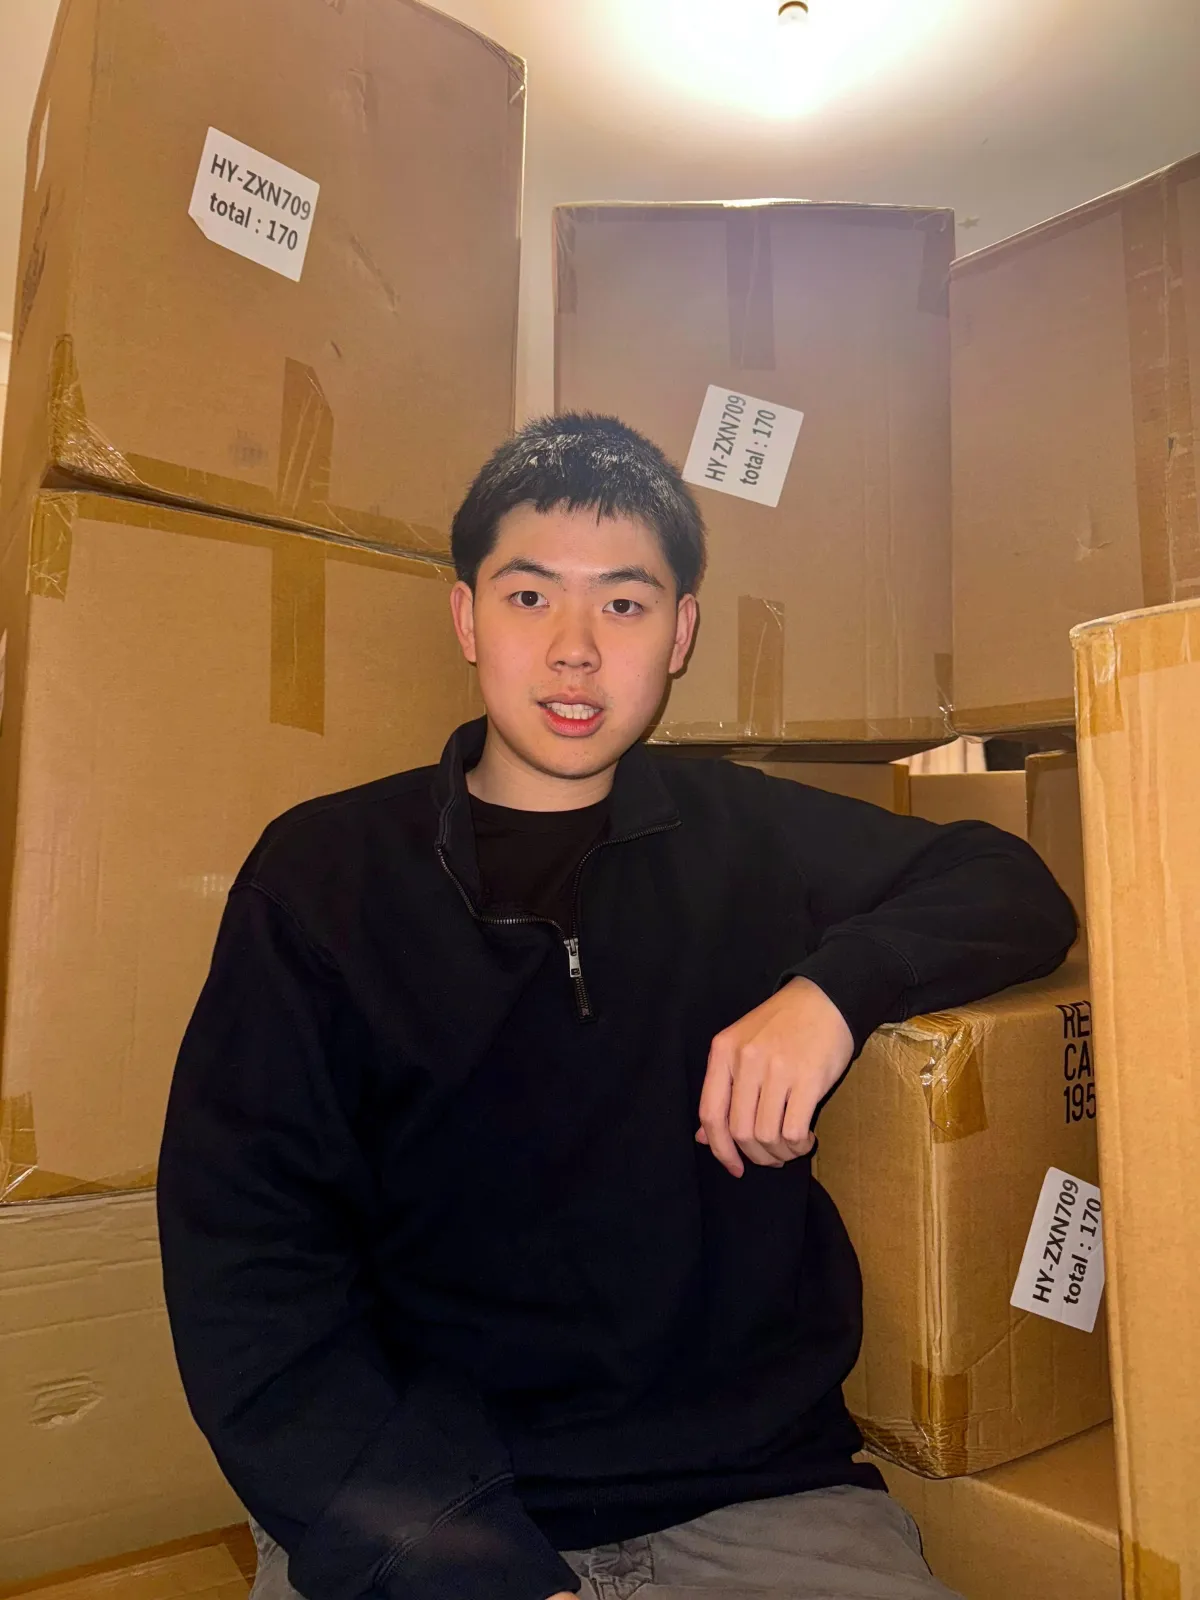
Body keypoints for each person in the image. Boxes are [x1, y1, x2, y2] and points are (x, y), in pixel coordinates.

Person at [157, 414, 1076, 1600]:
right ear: (466, 618)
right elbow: (247, 1269)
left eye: (625, 604)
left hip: (758, 1498)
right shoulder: (323, 877)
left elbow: (1011, 885)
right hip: (421, 1511)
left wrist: (833, 992)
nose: (575, 651)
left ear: (681, 632)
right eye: (530, 597)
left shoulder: (748, 832)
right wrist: (462, 1563)